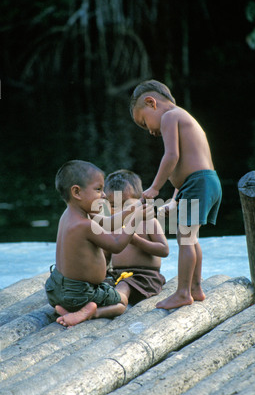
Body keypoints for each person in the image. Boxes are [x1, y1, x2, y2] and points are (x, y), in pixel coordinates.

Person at [130, 79, 222, 310]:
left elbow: (171, 156)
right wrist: (174, 199)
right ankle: (195, 288)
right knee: (191, 239)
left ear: (151, 103)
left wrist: (154, 188)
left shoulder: (170, 116)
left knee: (184, 239)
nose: (150, 130)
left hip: (198, 182)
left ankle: (182, 292)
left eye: (144, 123)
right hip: (203, 182)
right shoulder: (183, 117)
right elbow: (186, 164)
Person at [45, 160, 153, 327]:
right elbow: (116, 244)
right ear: (77, 192)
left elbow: (109, 223)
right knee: (121, 303)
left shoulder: (70, 215)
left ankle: (69, 310)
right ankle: (90, 312)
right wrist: (136, 220)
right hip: (81, 293)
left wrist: (132, 210)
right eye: (98, 189)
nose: (103, 195)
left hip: (56, 289)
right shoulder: (84, 225)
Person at [104, 169, 169, 305]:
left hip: (144, 277)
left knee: (124, 285)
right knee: (98, 283)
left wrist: (136, 241)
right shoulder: (113, 225)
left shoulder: (149, 221)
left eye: (127, 204)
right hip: (116, 274)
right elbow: (106, 256)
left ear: (140, 201)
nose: (121, 210)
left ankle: (116, 301)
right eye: (114, 205)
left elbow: (164, 250)